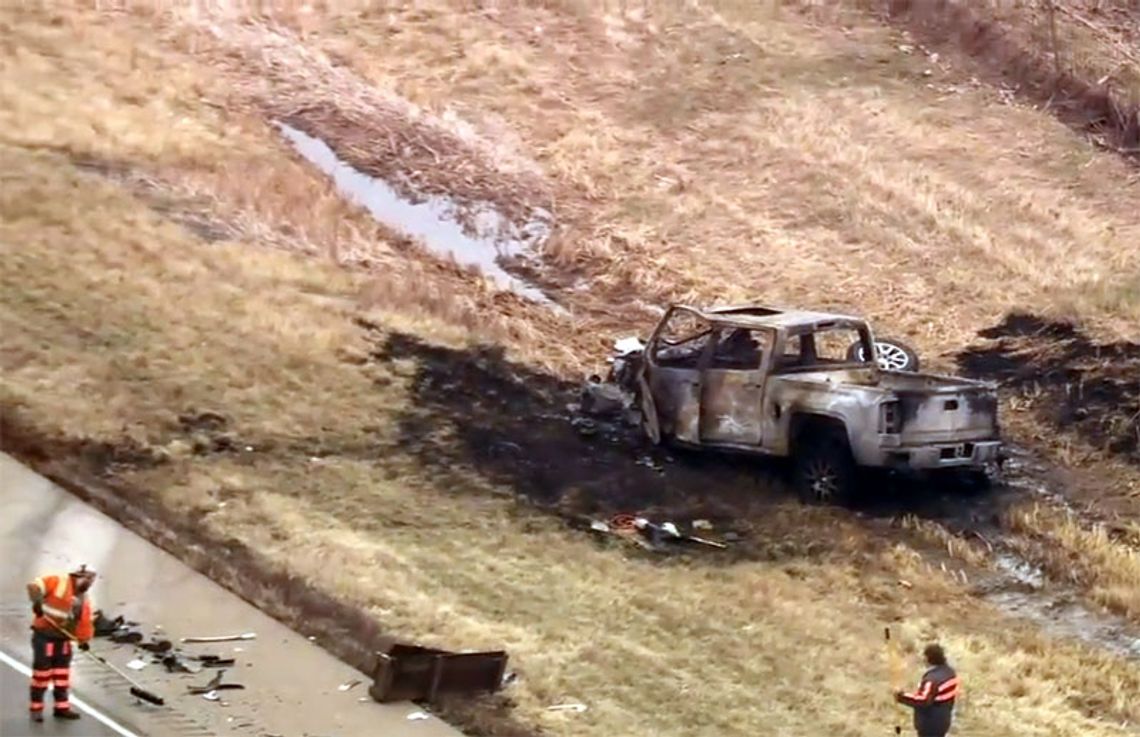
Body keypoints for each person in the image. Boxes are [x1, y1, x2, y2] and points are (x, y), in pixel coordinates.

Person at [26, 564, 97, 722]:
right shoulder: (58, 581)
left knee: (62, 676)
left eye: (92, 580)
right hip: (44, 637)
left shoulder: (83, 598)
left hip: (63, 640)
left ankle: (61, 708)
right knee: (42, 675)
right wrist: (37, 602)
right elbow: (34, 586)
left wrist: (84, 639)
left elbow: (84, 621)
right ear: (78, 576)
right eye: (88, 579)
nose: (90, 583)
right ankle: (36, 709)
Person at [895, 643, 960, 737]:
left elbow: (923, 701)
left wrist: (901, 696)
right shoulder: (950, 673)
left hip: (930, 724)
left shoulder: (932, 680)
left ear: (928, 658)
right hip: (944, 720)